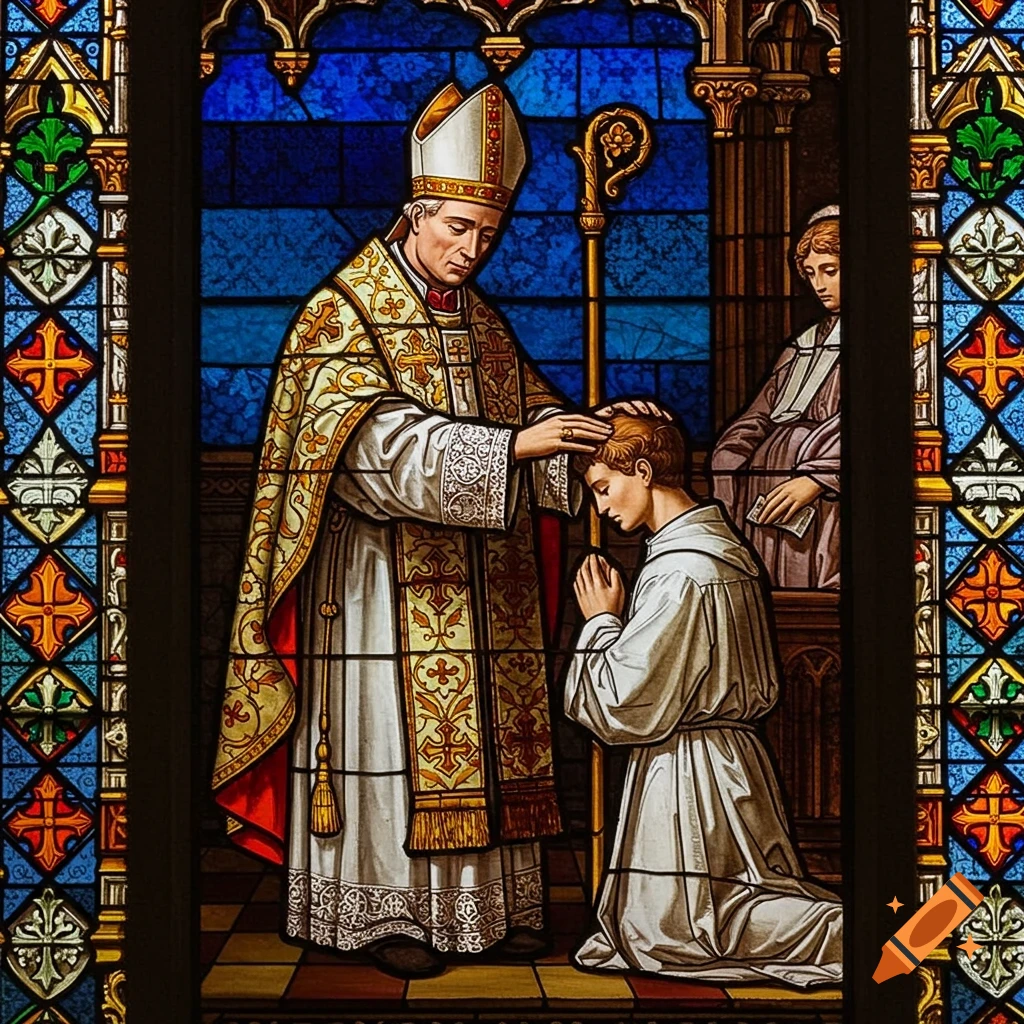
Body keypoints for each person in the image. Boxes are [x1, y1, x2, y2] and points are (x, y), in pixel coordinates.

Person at [210, 80, 617, 978]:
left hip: (486, 582)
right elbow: (365, 451)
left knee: (493, 735)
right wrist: (515, 446)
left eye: (485, 234)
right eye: (455, 230)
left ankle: (487, 912)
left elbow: (534, 419)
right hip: (372, 590)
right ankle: (384, 914)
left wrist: (590, 441)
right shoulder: (341, 314)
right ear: (413, 213)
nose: (472, 251)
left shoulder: (480, 321)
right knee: (385, 749)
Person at [565, 412, 843, 986]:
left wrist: (599, 624)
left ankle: (915, 923)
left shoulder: (681, 572)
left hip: (690, 776)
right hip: (724, 765)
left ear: (643, 471)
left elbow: (624, 700)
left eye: (603, 488)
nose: (601, 508)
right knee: (700, 919)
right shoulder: (715, 552)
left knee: (710, 925)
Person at [711, 206, 841, 589]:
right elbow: (760, 415)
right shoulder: (800, 347)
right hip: (766, 494)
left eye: (830, 270)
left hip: (823, 501)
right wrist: (729, 457)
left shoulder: (881, 344)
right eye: (811, 273)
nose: (818, 284)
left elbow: (876, 426)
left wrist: (818, 479)